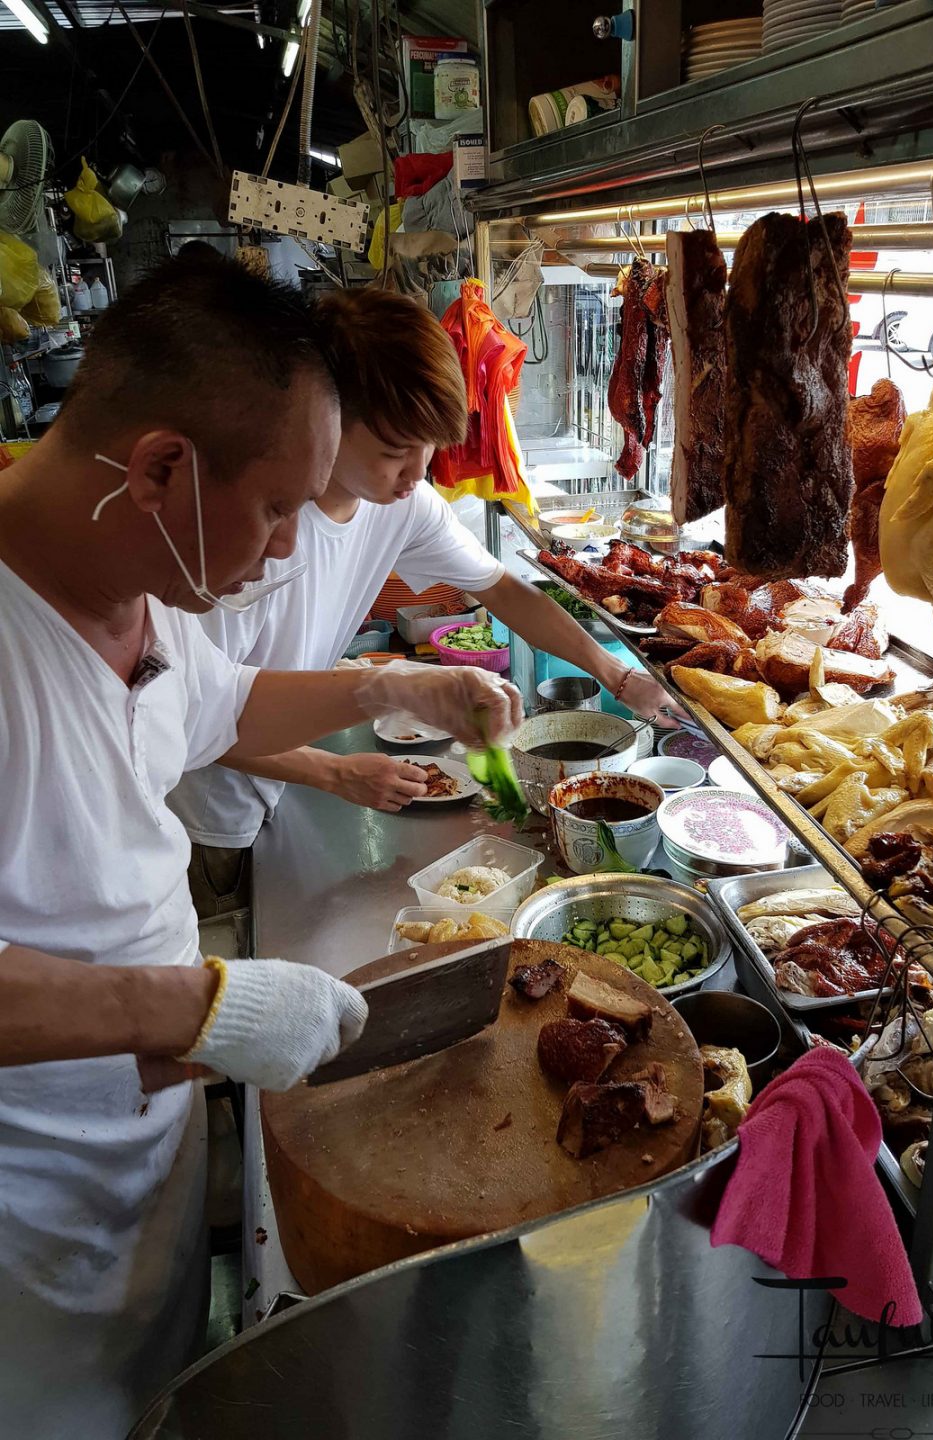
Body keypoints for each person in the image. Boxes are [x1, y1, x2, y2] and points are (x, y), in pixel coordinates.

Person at [0, 255, 522, 1437]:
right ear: (161, 469)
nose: (291, 549)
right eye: (282, 506)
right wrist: (193, 1008)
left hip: (135, 1178)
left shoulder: (134, 592)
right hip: (22, 1242)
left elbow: (221, 706)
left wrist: (401, 687)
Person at [171, 285, 678, 908]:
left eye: (430, 447)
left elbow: (505, 592)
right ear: (325, 417)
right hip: (214, 808)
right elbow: (199, 715)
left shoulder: (401, 504)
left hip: (289, 772)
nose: (417, 474)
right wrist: (333, 770)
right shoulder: (250, 535)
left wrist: (617, 677)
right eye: (393, 451)